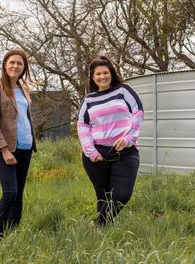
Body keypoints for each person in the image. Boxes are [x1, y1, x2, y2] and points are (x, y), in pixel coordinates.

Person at [77, 55, 143, 226]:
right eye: (98, 74)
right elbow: (83, 126)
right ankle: (102, 234)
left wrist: (129, 138)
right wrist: (91, 151)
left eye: (105, 72)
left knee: (121, 195)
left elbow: (138, 113)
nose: (102, 77)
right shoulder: (88, 100)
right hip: (97, 154)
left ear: (111, 73)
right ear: (93, 77)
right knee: (103, 196)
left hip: (125, 151)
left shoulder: (124, 91)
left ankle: (96, 224)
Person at [0, 49, 37, 237]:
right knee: (10, 193)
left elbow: (25, 118)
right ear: (5, 64)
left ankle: (12, 235)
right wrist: (5, 150)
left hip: (25, 146)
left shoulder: (24, 88)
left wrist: (31, 142)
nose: (15, 66)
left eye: (19, 64)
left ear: (24, 68)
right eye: (12, 62)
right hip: (5, 148)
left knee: (19, 194)